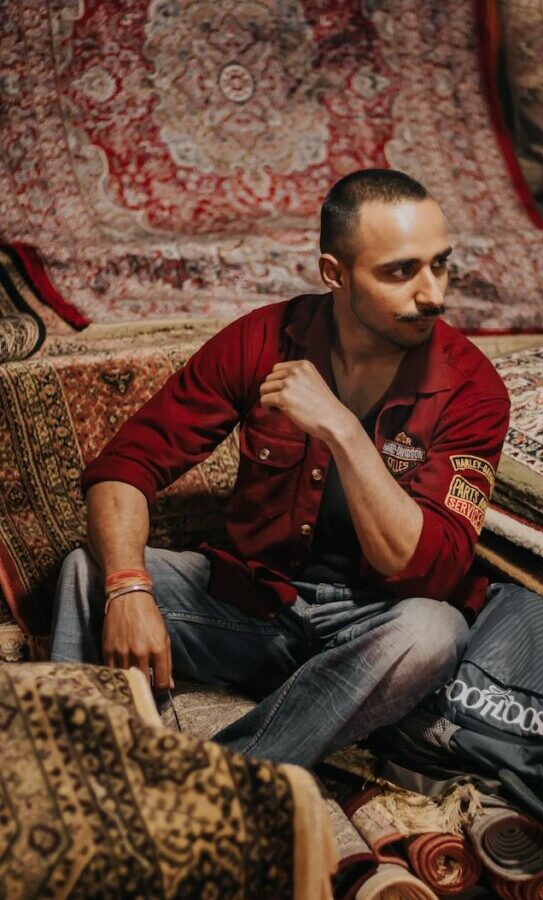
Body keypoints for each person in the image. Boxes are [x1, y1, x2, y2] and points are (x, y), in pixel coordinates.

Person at [51, 169, 510, 767]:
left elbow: (427, 572)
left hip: (370, 630)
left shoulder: (473, 389)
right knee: (88, 571)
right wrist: (129, 590)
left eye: (440, 264)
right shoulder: (261, 339)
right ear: (334, 274)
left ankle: (226, 777)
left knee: (434, 633)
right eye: (401, 270)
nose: (433, 293)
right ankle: (57, 767)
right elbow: (127, 464)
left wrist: (343, 430)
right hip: (253, 606)